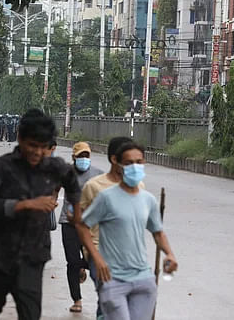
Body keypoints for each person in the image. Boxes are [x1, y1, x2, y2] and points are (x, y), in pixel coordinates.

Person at [0, 110, 81, 320]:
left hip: (32, 257)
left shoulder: (56, 168)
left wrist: (74, 209)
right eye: (32, 145)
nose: (37, 152)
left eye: (43, 147)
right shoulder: (2, 166)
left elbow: (73, 186)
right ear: (20, 138)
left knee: (30, 315)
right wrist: (26, 205)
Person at [77, 141, 178, 320]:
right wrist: (97, 258)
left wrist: (169, 254)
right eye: (129, 163)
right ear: (118, 164)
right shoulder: (106, 198)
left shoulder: (147, 199)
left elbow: (158, 232)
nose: (135, 167)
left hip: (142, 278)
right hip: (112, 277)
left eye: (139, 162)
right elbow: (82, 226)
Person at [79, 137, 138, 319]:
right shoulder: (94, 186)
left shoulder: (137, 186)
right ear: (114, 159)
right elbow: (82, 224)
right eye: (129, 161)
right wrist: (90, 255)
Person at [59, 142, 103, 314]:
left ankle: (81, 268)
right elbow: (54, 188)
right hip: (68, 222)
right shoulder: (66, 173)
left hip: (89, 224)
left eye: (87, 156)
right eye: (80, 156)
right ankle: (77, 299)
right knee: (71, 261)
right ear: (74, 157)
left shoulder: (98, 175)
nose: (84, 159)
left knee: (90, 259)